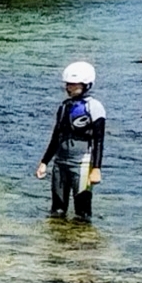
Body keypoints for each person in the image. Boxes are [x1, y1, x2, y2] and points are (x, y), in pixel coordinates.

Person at [38, 58, 107, 221]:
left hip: (81, 163)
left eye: (74, 84)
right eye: (68, 84)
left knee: (82, 212)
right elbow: (56, 136)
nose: (69, 87)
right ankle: (57, 236)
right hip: (60, 163)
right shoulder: (64, 107)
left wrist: (96, 169)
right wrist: (44, 162)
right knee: (57, 210)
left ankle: (82, 236)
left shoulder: (94, 107)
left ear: (86, 85)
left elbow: (98, 140)